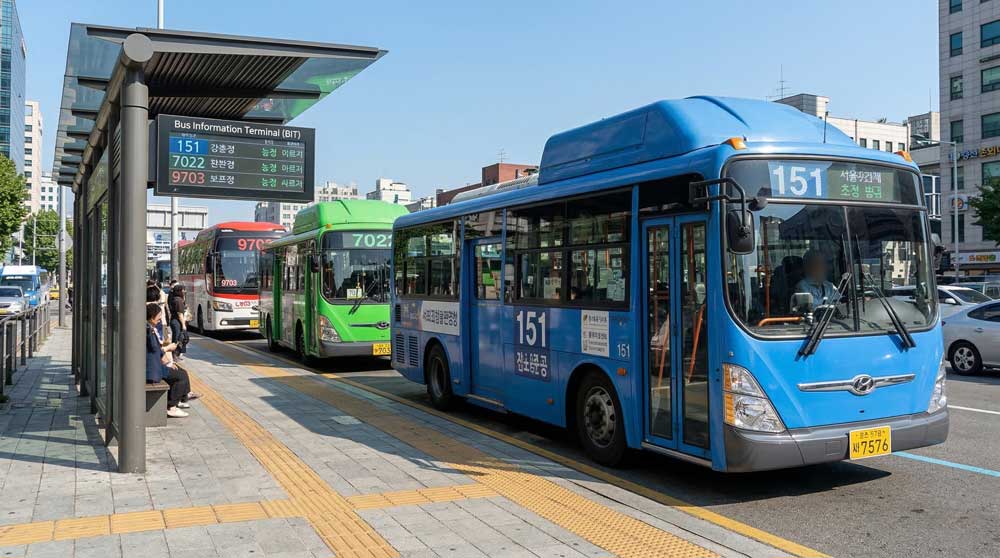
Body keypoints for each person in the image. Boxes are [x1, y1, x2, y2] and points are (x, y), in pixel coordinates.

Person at [146, 302, 190, 418]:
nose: (160, 319)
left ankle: (181, 398)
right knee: (181, 376)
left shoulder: (149, 329)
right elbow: (156, 350)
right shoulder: (148, 331)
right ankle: (172, 406)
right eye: (158, 317)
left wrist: (169, 363)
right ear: (151, 317)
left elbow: (157, 351)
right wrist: (168, 349)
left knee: (180, 372)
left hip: (154, 365)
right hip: (152, 370)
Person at [168, 284, 188, 360]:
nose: (184, 291)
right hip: (177, 322)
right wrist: (183, 325)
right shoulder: (178, 300)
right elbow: (180, 314)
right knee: (177, 338)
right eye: (183, 290)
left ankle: (175, 355)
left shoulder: (176, 299)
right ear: (179, 291)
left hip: (175, 321)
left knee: (177, 337)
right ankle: (174, 355)